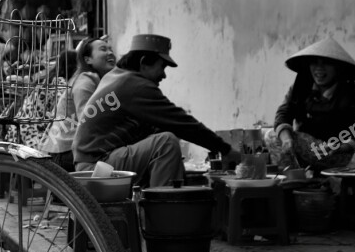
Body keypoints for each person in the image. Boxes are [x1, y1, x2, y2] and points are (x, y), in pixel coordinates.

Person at [72, 34, 241, 187]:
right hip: (98, 166)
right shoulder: (134, 85)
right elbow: (181, 123)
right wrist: (226, 150)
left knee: (164, 137)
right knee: (166, 143)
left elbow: (164, 125)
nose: (164, 75)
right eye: (162, 67)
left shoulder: (116, 76)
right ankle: (164, 215)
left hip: (92, 163)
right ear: (144, 62)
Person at [266, 37, 355, 172]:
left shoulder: (354, 97)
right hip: (305, 148)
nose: (319, 69)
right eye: (315, 63)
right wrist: (286, 139)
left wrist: (342, 147)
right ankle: (294, 178)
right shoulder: (300, 90)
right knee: (273, 135)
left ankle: (298, 178)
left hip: (335, 153)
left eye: (326, 63)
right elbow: (283, 113)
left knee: (272, 136)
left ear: (338, 68)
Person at [41, 37, 116, 171]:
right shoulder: (85, 81)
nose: (110, 53)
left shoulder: (97, 80)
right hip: (65, 153)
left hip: (70, 148)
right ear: (88, 59)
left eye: (110, 49)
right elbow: (89, 122)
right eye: (103, 49)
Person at [4, 48, 76, 149]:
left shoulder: (48, 79)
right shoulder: (60, 83)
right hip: (33, 137)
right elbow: (65, 111)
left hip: (18, 133)